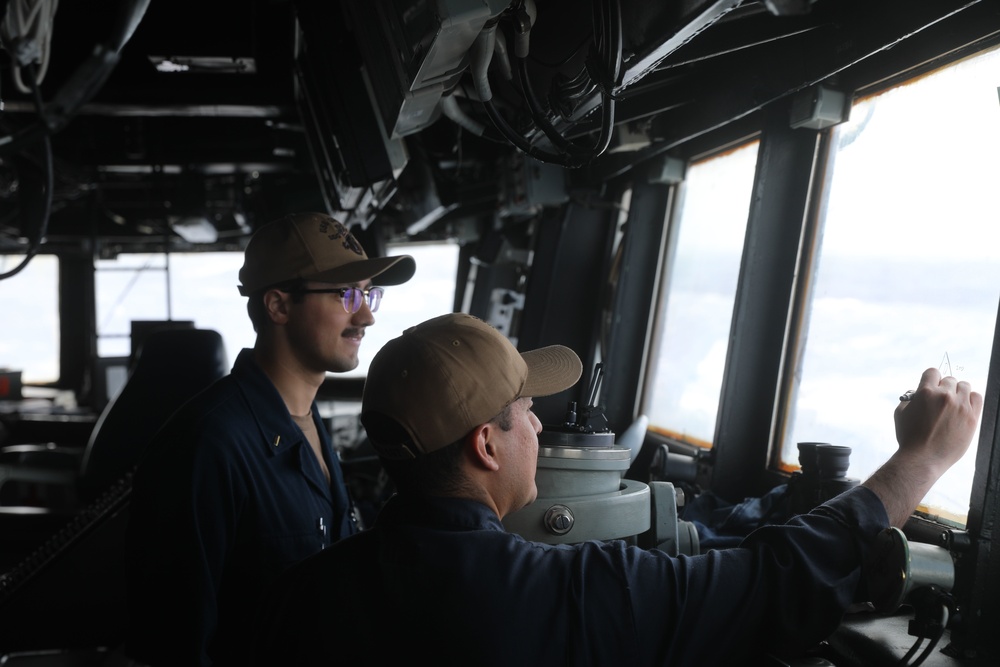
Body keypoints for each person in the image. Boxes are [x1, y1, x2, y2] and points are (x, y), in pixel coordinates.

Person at [252, 312, 983, 666]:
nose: (537, 426)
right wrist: (920, 459)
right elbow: (768, 584)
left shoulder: (297, 598)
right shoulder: (565, 593)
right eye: (525, 413)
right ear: (485, 443)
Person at [124, 211, 416, 667]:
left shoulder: (304, 418)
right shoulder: (207, 444)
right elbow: (173, 643)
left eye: (368, 295)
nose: (365, 316)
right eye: (346, 294)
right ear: (278, 306)